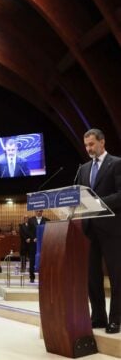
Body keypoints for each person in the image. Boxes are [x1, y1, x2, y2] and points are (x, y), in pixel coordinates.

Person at [77, 128, 121, 334]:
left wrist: (98, 203)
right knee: (92, 276)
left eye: (92, 144)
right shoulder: (83, 168)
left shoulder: (117, 163)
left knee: (115, 275)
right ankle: (98, 317)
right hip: (89, 228)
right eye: (86, 145)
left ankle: (116, 319)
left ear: (102, 142)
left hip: (112, 228)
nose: (88, 149)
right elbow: (77, 194)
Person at [27, 210, 49, 283]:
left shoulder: (47, 220)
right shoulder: (30, 220)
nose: (38, 212)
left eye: (40, 211)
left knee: (43, 260)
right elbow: (28, 231)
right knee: (32, 260)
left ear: (42, 212)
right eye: (37, 211)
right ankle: (32, 277)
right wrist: (34, 238)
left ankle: (43, 277)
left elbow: (48, 231)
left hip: (43, 244)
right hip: (33, 243)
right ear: (35, 212)